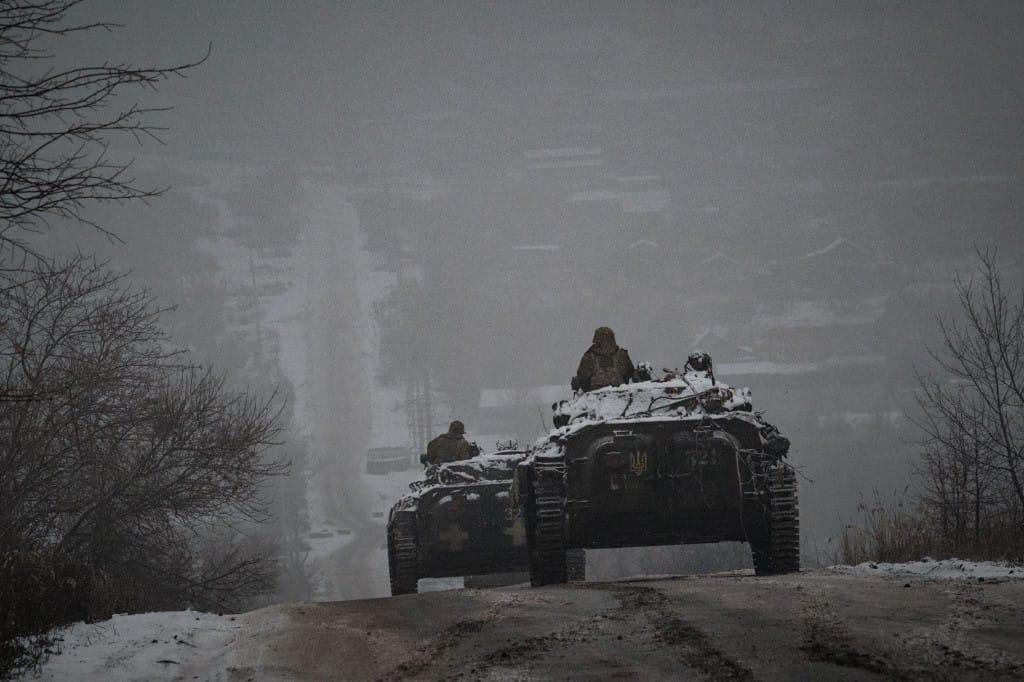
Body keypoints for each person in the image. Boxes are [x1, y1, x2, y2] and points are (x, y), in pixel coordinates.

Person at [572, 326, 635, 392]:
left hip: (595, 398)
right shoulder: (621, 355)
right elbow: (629, 373)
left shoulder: (589, 357)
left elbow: (583, 378)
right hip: (620, 396)